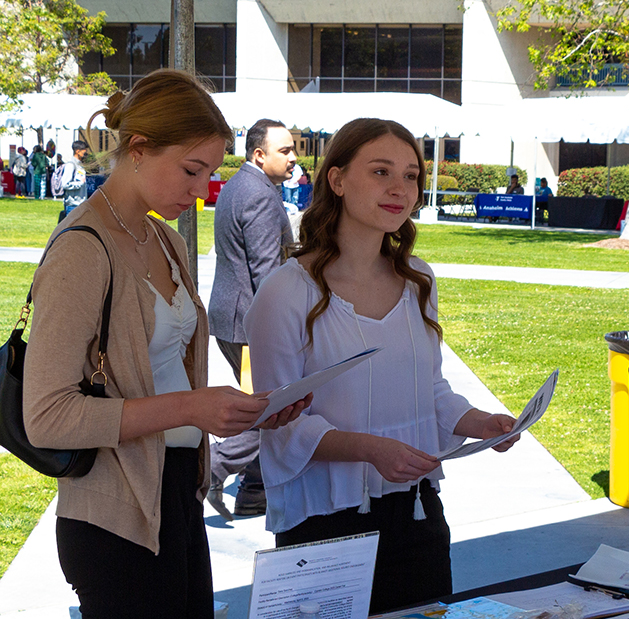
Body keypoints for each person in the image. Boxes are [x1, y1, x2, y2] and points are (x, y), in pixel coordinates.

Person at [21, 69, 308, 618]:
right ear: (138, 149)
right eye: (191, 170)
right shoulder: (83, 248)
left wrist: (238, 414)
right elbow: (47, 416)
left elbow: (164, 379)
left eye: (210, 172)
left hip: (175, 494)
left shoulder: (164, 239)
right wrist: (193, 407)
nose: (202, 190)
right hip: (114, 513)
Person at [244, 118, 521, 613]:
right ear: (337, 179)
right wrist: (371, 450)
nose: (400, 189)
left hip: (417, 514)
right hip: (323, 526)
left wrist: (481, 423)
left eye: (412, 175)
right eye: (381, 172)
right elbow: (280, 424)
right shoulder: (285, 292)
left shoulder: (419, 281)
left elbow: (429, 389)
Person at [207, 118, 296, 519]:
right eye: (285, 151)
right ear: (259, 155)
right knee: (273, 412)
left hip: (233, 317)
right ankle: (211, 468)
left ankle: (254, 494)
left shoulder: (239, 185)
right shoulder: (259, 195)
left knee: (267, 406)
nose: (294, 158)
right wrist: (286, 325)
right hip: (248, 324)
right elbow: (266, 272)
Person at [60, 141, 91, 217]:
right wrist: (79, 184)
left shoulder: (80, 165)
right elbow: (65, 184)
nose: (86, 152)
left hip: (81, 204)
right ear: (78, 151)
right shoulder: (70, 165)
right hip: (73, 206)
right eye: (84, 150)